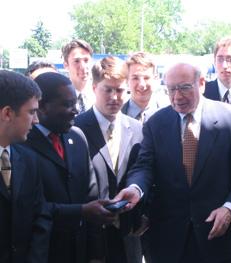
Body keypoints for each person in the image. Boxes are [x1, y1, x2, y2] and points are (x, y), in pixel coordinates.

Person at [115, 61, 231, 263]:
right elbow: (144, 166)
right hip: (166, 238)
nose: (177, 96)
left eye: (184, 88)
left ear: (201, 83)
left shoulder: (229, 119)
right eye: (171, 89)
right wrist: (136, 188)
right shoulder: (156, 123)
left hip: (214, 235)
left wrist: (229, 208)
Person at [23, 72, 115, 263]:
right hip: (43, 252)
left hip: (80, 251)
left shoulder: (77, 136)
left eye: (75, 103)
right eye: (66, 104)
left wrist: (96, 254)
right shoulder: (22, 144)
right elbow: (29, 208)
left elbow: (91, 196)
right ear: (41, 106)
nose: (75, 110)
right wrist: (80, 211)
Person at [75, 56, 143, 263]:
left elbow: (144, 171)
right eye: (108, 89)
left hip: (128, 234)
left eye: (120, 90)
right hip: (90, 235)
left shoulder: (138, 129)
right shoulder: (76, 129)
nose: (115, 97)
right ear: (95, 88)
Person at [0, 70, 51, 263]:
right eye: (31, 112)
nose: (36, 120)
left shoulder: (29, 160)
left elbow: (41, 215)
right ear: (7, 113)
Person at [121, 51, 168, 123]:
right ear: (127, 80)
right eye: (135, 78)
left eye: (146, 78)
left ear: (155, 78)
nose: (141, 85)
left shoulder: (170, 115)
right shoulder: (116, 116)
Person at [62, 39, 95, 114]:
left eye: (86, 60)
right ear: (66, 65)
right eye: (76, 61)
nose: (83, 66)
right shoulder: (61, 98)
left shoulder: (100, 95)